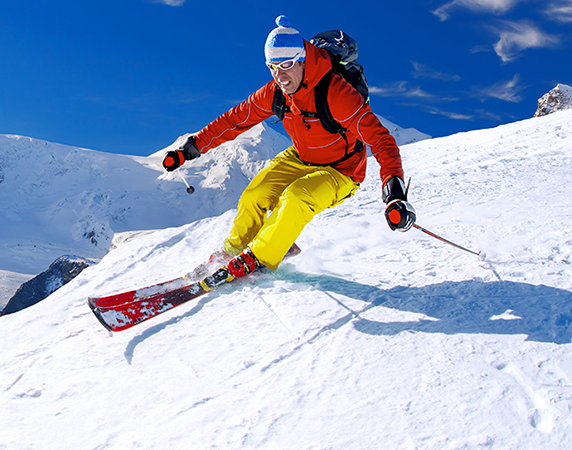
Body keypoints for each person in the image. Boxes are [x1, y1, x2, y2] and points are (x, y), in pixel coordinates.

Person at [163, 15, 415, 281]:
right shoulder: (275, 92)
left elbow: (381, 140)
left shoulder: (336, 93)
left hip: (342, 169)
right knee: (255, 194)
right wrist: (188, 149)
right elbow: (234, 120)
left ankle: (259, 257)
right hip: (301, 156)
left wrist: (394, 193)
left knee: (297, 197)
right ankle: (233, 251)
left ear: (303, 59)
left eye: (286, 65)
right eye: (272, 67)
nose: (280, 76)